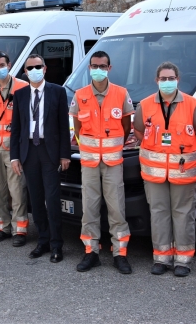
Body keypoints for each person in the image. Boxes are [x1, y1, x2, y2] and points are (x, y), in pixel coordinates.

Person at [133, 62, 196, 277]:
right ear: (156, 81)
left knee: (183, 214)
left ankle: (183, 259)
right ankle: (161, 257)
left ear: (178, 79)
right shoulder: (144, 105)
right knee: (158, 214)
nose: (167, 82)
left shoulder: (193, 105)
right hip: (154, 174)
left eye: (170, 78)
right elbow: (138, 132)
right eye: (163, 79)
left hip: (184, 173)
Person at [70, 51, 133, 274]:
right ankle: (91, 252)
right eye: (94, 65)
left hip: (113, 162)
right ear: (89, 68)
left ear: (109, 68)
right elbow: (77, 130)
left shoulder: (121, 93)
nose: (98, 69)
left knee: (117, 208)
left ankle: (120, 253)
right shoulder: (80, 95)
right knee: (89, 208)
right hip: (88, 163)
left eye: (102, 65)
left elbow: (126, 128)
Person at [10, 54, 71, 263]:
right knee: (35, 200)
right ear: (25, 72)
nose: (34, 70)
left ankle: (56, 244)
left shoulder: (58, 92)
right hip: (29, 152)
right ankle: (43, 241)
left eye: (38, 66)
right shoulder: (19, 95)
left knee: (52, 199)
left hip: (50, 151)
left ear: (44, 69)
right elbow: (16, 129)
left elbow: (64, 126)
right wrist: (14, 157)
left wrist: (65, 154)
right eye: (30, 68)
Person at [0, 51, 29, 247]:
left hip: (14, 148)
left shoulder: (22, 86)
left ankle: (20, 229)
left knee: (17, 189)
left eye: (1, 64)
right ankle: (2, 226)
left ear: (9, 65)